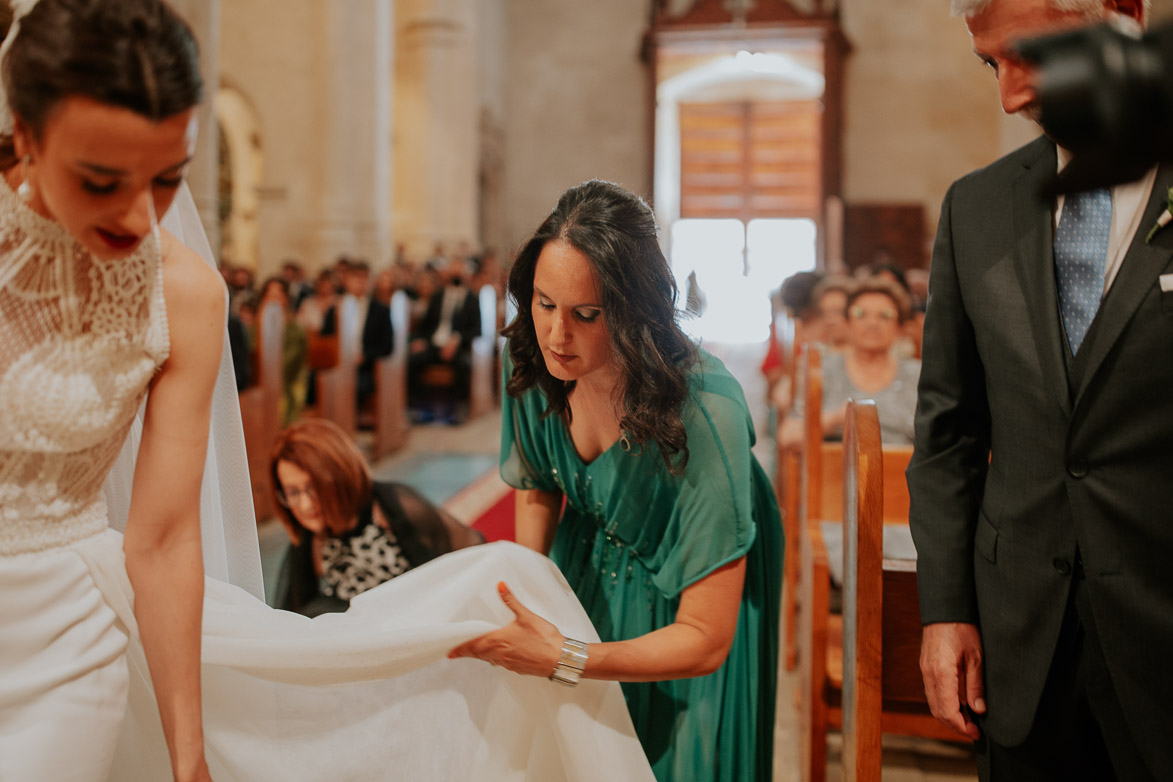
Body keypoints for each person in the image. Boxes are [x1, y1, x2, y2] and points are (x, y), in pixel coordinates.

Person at [0, 3, 656, 780]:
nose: (139, 214)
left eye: (168, 178)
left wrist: (188, 755)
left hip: (70, 637)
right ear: (28, 136)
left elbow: (166, 539)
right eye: (101, 179)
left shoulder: (184, 295)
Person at [909, 1, 1171, 780]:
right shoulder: (976, 207)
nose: (1010, 96)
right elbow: (947, 433)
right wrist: (945, 609)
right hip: (1020, 639)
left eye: (1029, 54)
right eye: (992, 64)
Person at [449, 180, 783, 782]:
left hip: (682, 606)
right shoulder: (530, 356)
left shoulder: (706, 414)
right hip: (584, 569)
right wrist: (531, 600)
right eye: (544, 303)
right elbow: (538, 485)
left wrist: (564, 657)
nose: (556, 335)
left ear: (637, 310)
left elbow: (705, 640)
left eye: (586, 315)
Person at [269, 418, 484, 616]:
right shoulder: (310, 535)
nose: (305, 505)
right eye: (293, 492)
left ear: (338, 477)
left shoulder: (393, 507)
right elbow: (295, 611)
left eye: (313, 488)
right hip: (360, 639)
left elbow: (473, 555)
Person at [780, 276, 920, 450]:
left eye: (885, 315)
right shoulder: (823, 369)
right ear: (847, 323)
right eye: (860, 314)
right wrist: (835, 418)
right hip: (835, 472)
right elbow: (788, 435)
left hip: (902, 472)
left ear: (899, 327)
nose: (872, 323)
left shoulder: (917, 374)